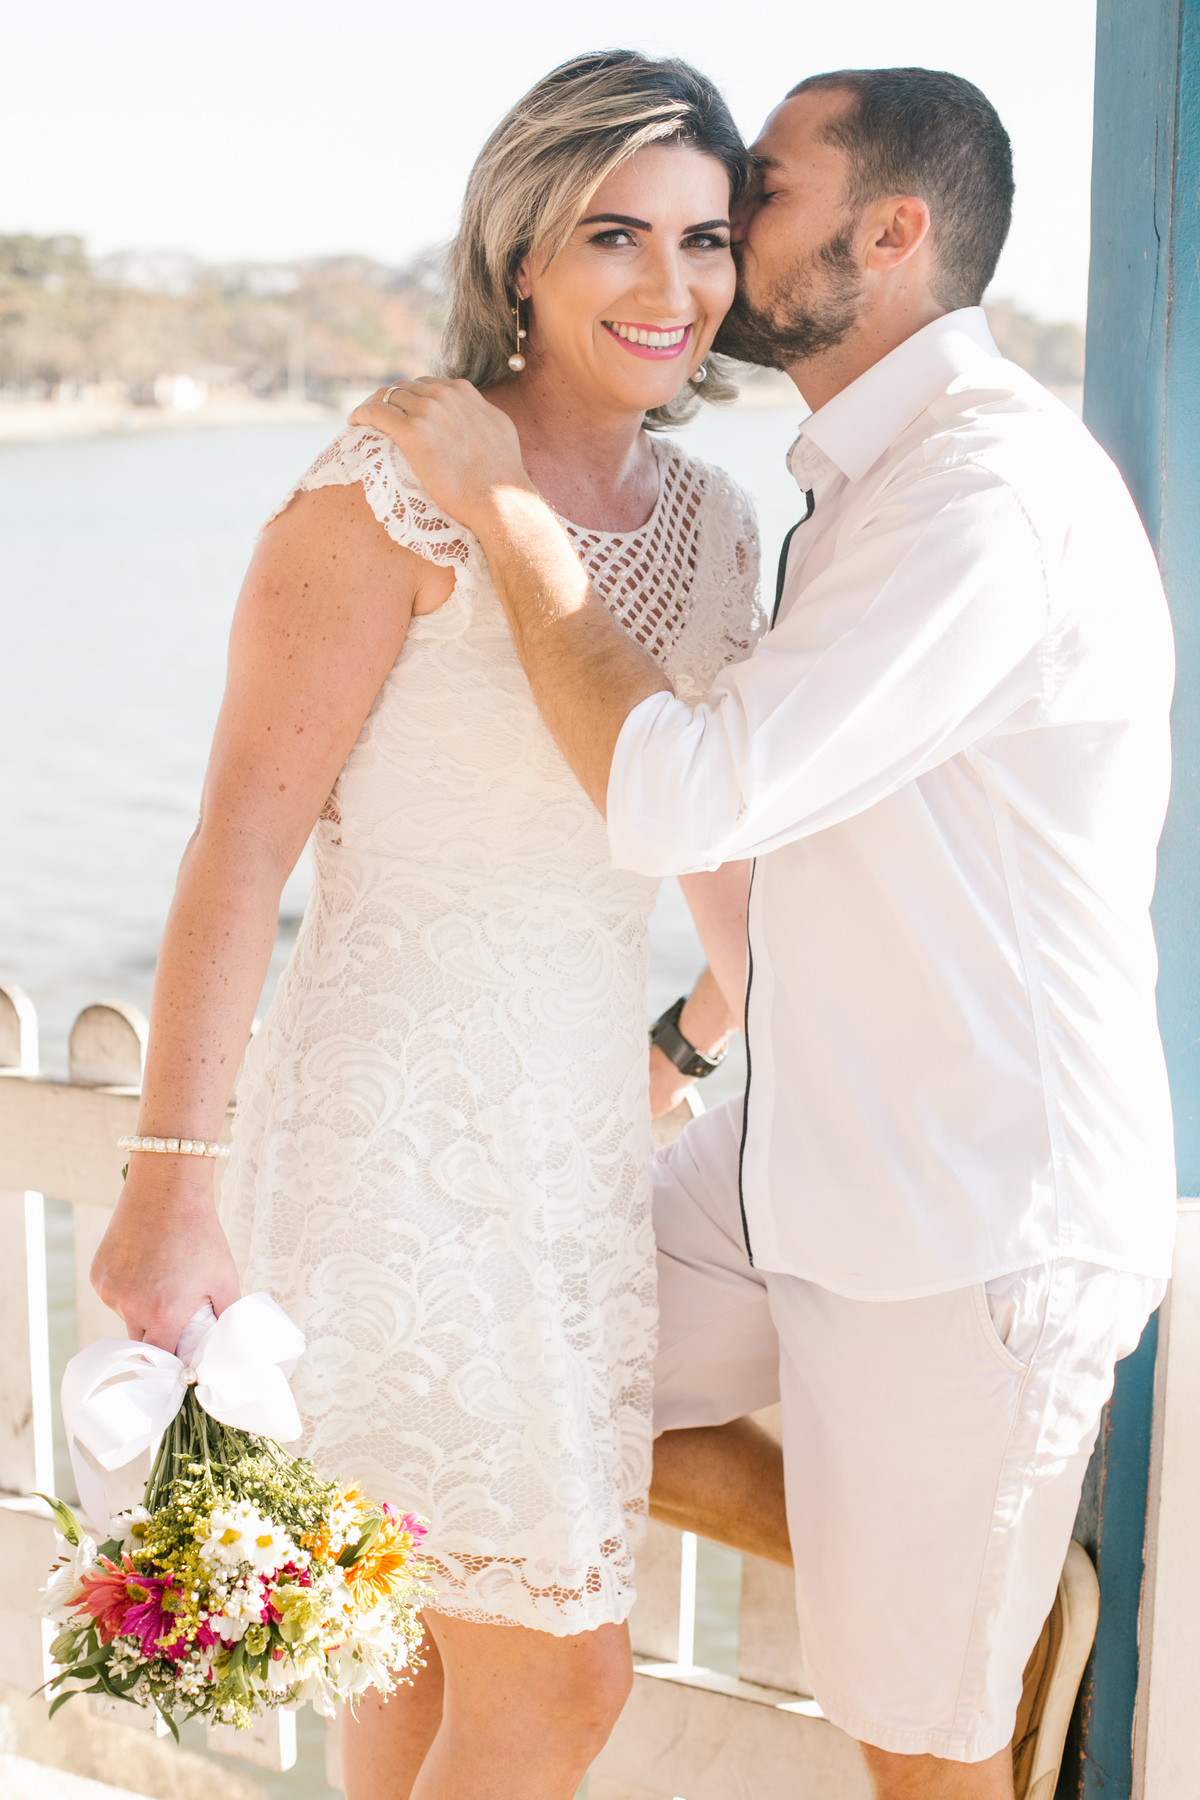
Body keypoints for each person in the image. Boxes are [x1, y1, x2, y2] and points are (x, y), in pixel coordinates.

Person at [349, 66, 1177, 1800]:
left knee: (923, 1765)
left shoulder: (983, 497)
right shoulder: (864, 477)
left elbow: (682, 795)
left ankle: (952, 1602)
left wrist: (507, 510)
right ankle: (924, 1569)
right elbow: (834, 852)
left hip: (970, 1225)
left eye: (762, 196)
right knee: (480, 1387)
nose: (719, 228)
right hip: (788, 1158)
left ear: (891, 234)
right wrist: (692, 1038)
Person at [90, 51, 767, 1800]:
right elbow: (239, 846)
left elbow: (710, 830)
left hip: (575, 1169)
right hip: (384, 1153)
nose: (671, 284)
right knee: (560, 1685)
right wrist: (172, 1182)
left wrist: (689, 1042)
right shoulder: (380, 489)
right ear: (522, 253)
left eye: (704, 238)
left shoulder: (719, 526)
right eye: (615, 233)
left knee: (401, 1663)